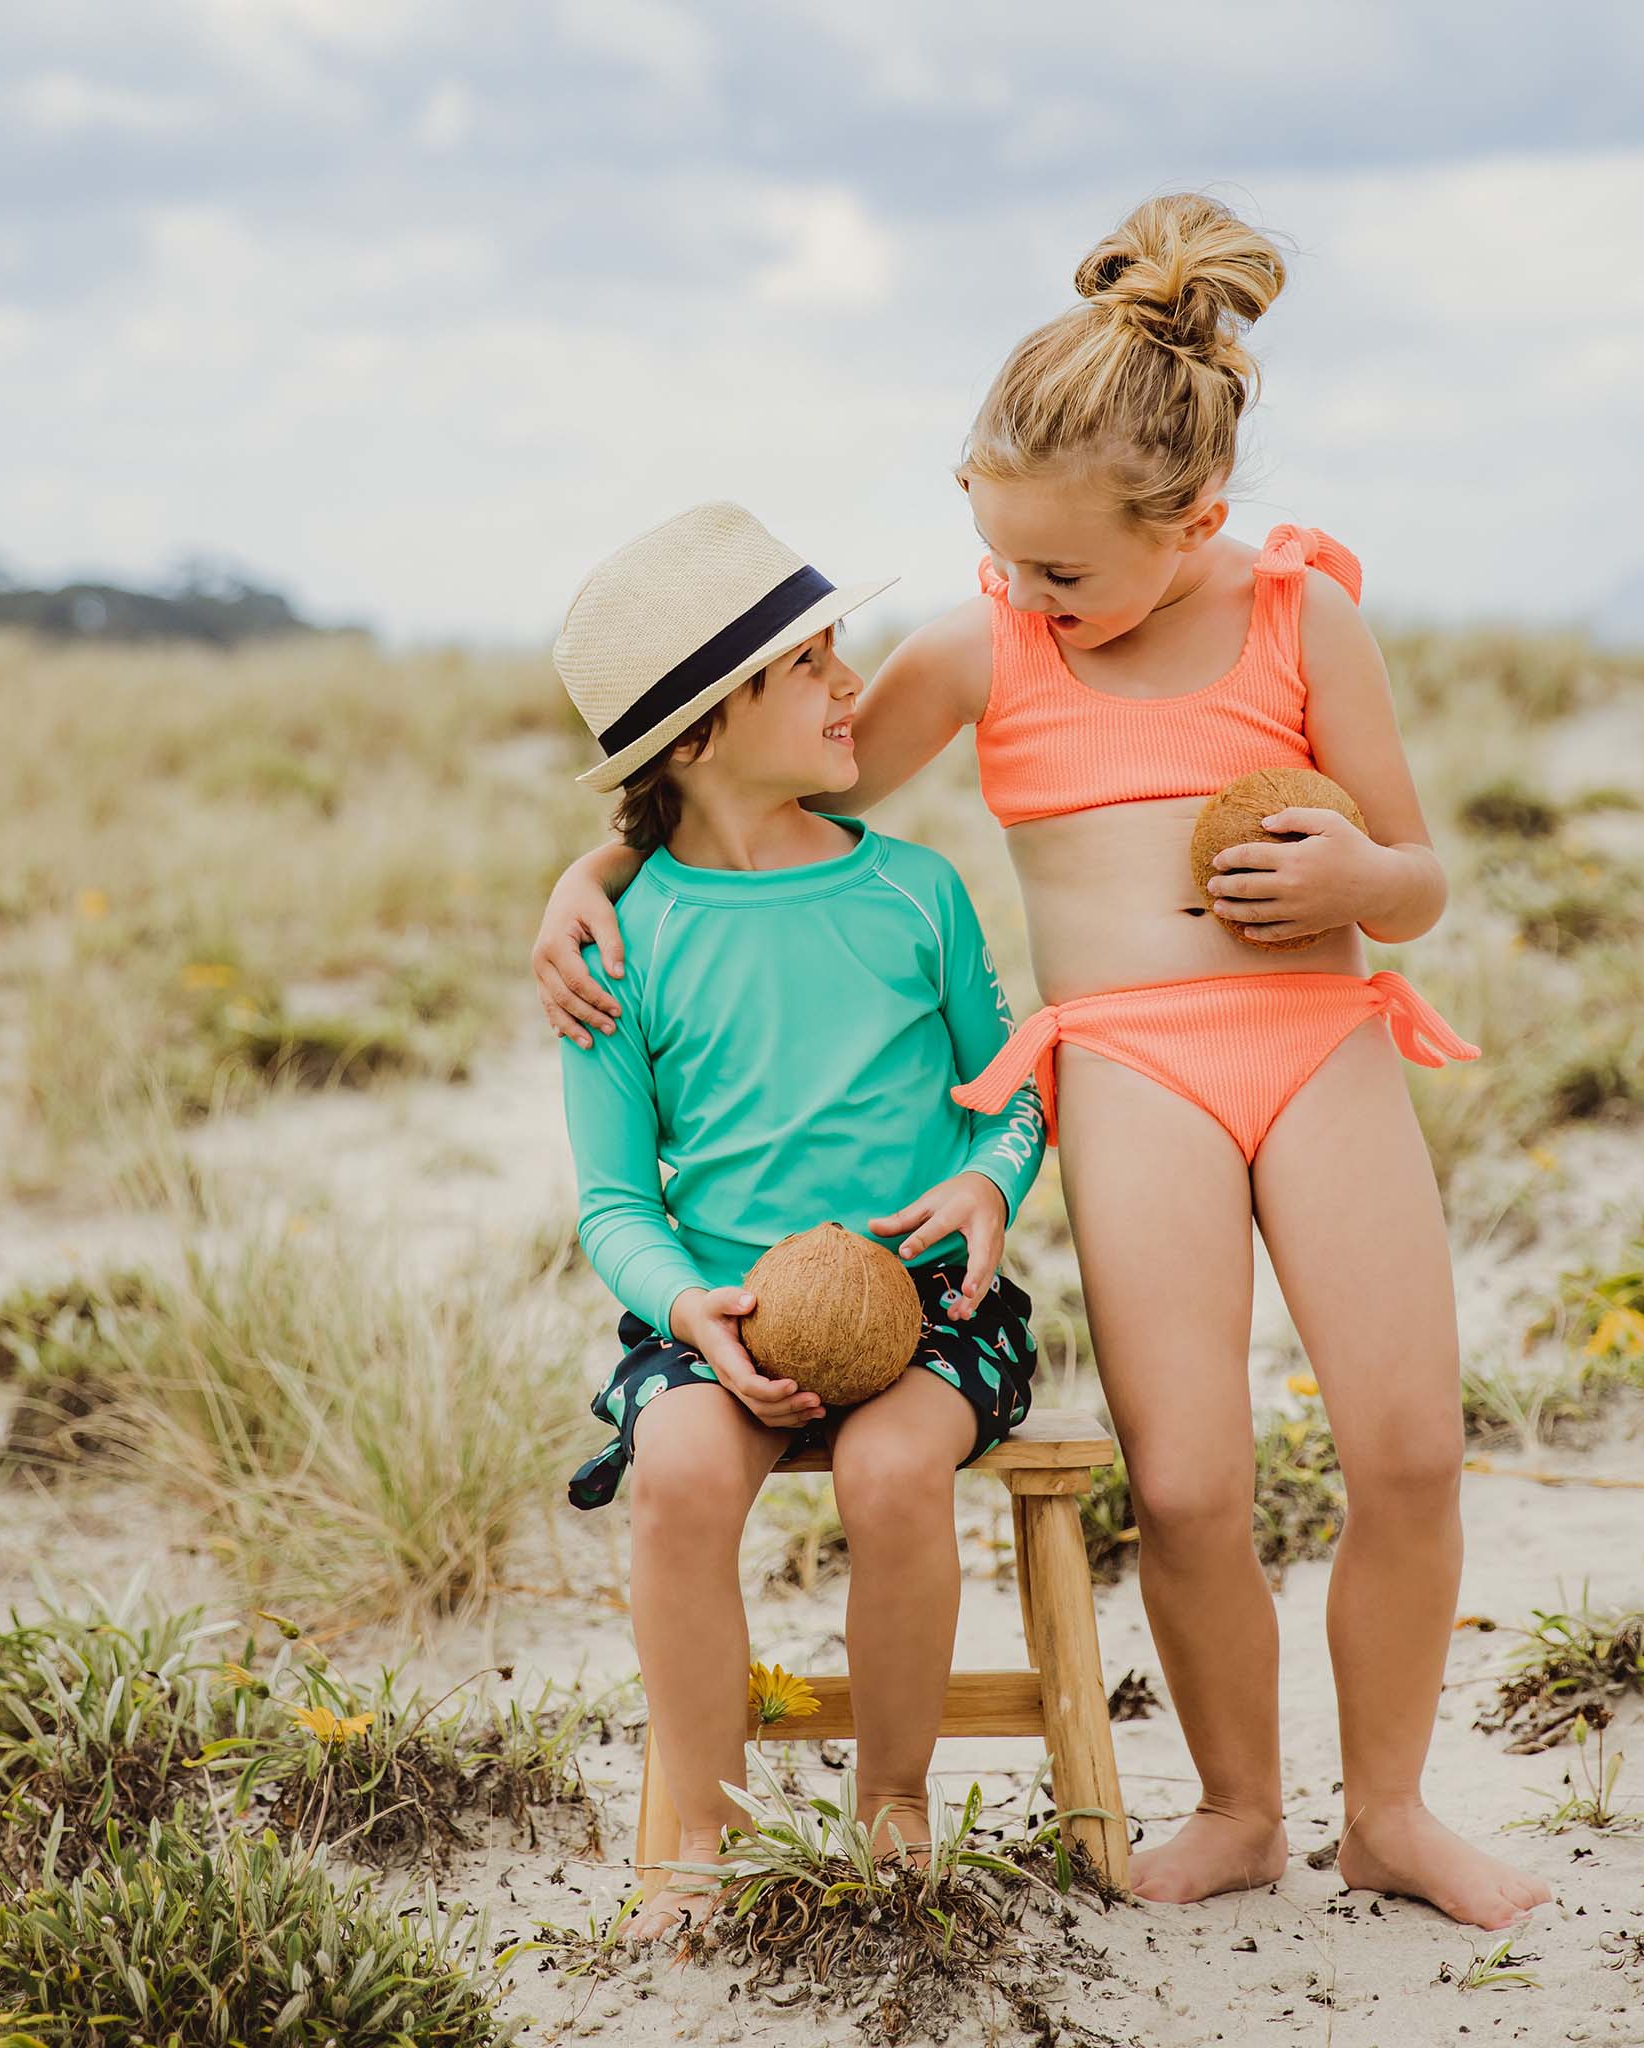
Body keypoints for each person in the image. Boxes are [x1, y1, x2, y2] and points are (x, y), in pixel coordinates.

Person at [535, 197, 1551, 1930]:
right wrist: (596, 870)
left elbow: (1422, 870)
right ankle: (1241, 1808)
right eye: (999, 556)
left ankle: (1387, 1810)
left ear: (1197, 524)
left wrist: (1363, 885)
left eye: (1062, 568)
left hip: (1319, 1044)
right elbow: (767, 792)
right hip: (1131, 1074)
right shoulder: (988, 648)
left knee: (1406, 1449)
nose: (1025, 592)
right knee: (1191, 1480)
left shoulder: (1304, 617)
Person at [551, 500, 1047, 1942]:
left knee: (896, 1476)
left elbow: (1008, 1090)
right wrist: (688, 1306)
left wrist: (989, 1183)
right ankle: (698, 1832)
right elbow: (613, 1198)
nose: (854, 686)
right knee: (679, 1475)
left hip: (935, 1314)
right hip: (716, 1319)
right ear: (699, 735)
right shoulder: (619, 946)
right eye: (811, 666)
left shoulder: (914, 892)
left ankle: (893, 1801)